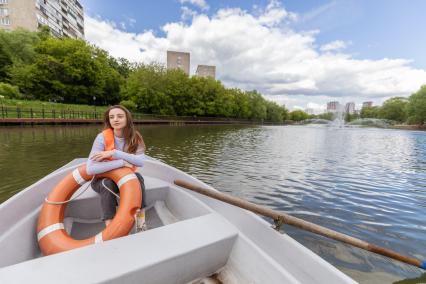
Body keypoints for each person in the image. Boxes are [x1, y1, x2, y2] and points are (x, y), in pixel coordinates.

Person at [86, 105, 146, 226]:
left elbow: (140, 162)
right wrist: (122, 162)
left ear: (127, 119)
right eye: (111, 117)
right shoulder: (101, 138)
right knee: (106, 183)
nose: (115, 119)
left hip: (125, 178)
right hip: (102, 180)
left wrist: (115, 152)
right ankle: (110, 228)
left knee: (139, 178)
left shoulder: (136, 137)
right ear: (109, 120)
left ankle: (141, 223)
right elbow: (90, 169)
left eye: (120, 116)